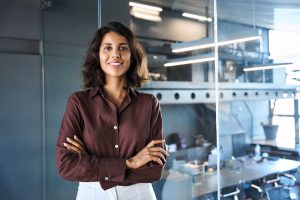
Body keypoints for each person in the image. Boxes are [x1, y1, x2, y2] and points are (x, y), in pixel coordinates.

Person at [56, 21, 168, 200]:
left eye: (123, 48)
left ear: (132, 56)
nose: (115, 54)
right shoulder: (78, 102)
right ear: (97, 55)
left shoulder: (149, 104)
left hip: (139, 194)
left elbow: (154, 170)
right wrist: (130, 162)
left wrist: (90, 162)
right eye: (107, 48)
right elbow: (66, 165)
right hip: (92, 195)